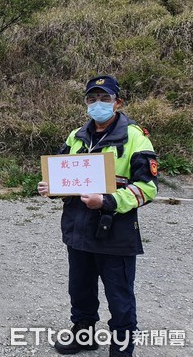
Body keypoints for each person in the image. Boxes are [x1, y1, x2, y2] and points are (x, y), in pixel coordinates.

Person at [37, 75, 158, 357]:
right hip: (79, 229)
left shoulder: (134, 138)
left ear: (117, 102)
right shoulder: (77, 136)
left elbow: (147, 188)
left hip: (115, 232)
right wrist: (50, 188)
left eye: (104, 98)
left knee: (119, 297)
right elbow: (60, 176)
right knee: (80, 290)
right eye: (92, 99)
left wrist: (107, 201)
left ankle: (121, 349)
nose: (97, 104)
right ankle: (84, 335)